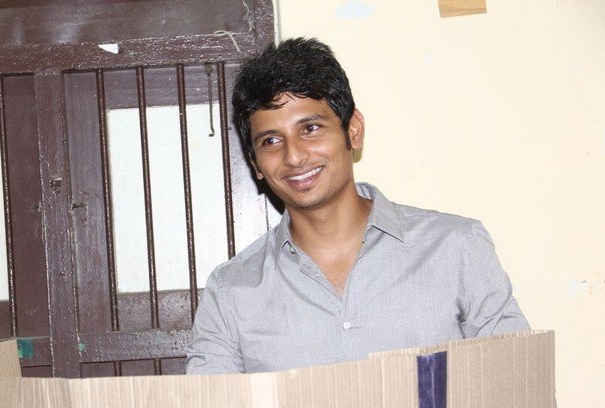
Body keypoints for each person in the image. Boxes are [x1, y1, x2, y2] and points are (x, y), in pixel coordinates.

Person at [185, 38, 529, 374]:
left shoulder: (456, 247)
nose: (294, 156)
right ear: (256, 163)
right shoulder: (230, 293)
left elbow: (522, 391)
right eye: (271, 140)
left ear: (353, 130)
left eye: (310, 128)